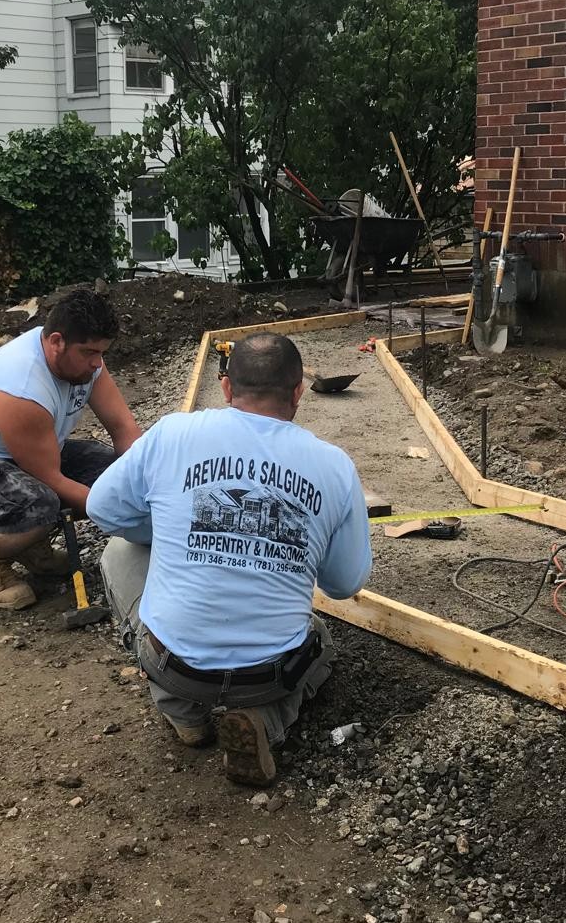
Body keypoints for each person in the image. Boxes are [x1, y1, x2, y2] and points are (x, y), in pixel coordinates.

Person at [87, 332, 372, 786]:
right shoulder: (334, 466)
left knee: (119, 550)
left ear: (225, 387)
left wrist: (170, 533)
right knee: (319, 641)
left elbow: (102, 508)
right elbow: (344, 583)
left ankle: (184, 714)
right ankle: (266, 721)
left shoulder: (173, 433)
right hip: (267, 676)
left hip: (176, 668)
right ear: (298, 392)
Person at [0, 288, 141, 610]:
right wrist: (120, 511)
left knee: (116, 476)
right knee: (38, 504)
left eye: (101, 353)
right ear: (56, 342)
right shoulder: (20, 390)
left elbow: (124, 430)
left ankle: (29, 543)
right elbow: (51, 479)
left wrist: (148, 486)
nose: (97, 363)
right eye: (89, 352)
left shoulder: (86, 363)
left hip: (24, 456)